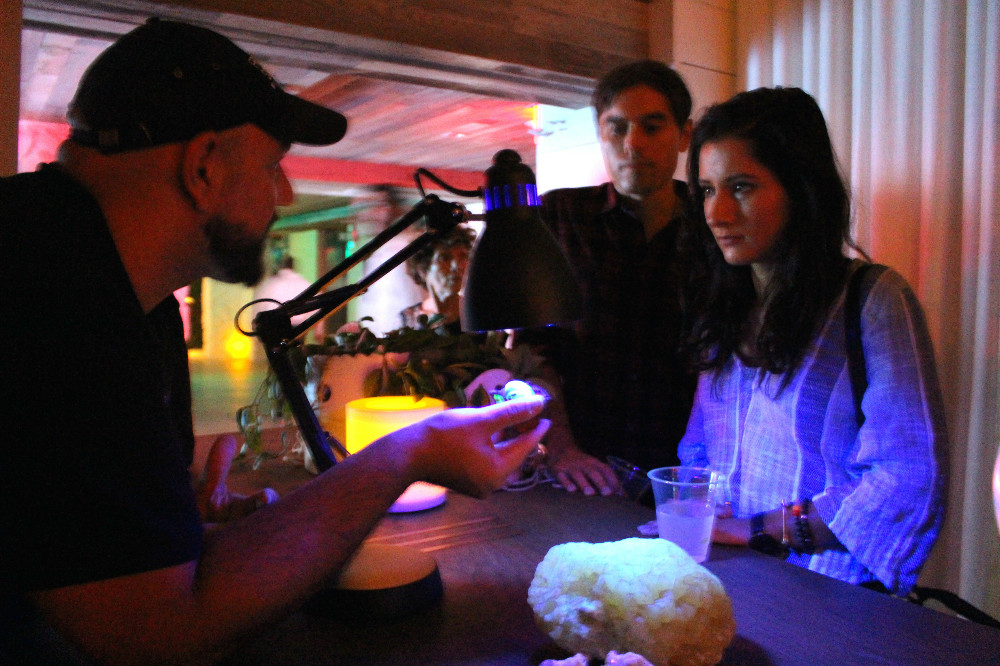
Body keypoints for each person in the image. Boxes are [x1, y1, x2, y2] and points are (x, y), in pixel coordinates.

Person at [0, 19, 549, 665]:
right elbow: (158, 636)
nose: (284, 193)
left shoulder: (119, 294)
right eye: (272, 166)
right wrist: (408, 453)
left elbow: (93, 556)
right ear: (204, 166)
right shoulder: (52, 295)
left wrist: (170, 533)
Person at [677, 86, 947, 594]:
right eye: (708, 190)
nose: (717, 214)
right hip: (729, 582)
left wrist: (764, 529)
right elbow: (701, 452)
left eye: (742, 186)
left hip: (828, 599)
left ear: (801, 187)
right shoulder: (725, 307)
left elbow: (908, 476)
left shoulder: (871, 299)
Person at [515, 60, 698, 496]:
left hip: (685, 476)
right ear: (601, 132)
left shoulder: (713, 226)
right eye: (617, 128)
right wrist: (559, 448)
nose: (632, 144)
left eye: (652, 127)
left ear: (685, 135)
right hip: (579, 471)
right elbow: (533, 348)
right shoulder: (557, 217)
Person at [400, 224, 477, 333]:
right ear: (423, 270)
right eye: (445, 258)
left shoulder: (478, 314)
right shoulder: (408, 321)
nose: (457, 266)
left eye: (462, 256)